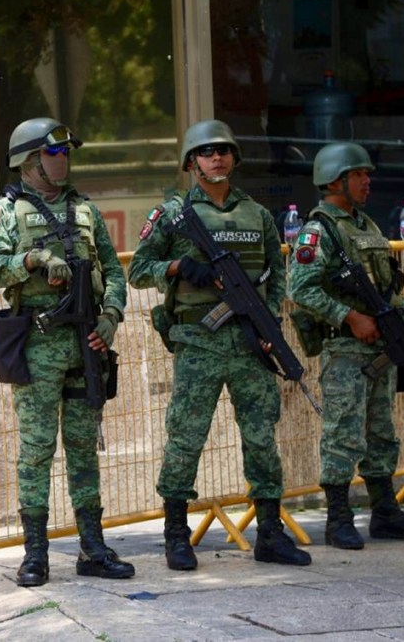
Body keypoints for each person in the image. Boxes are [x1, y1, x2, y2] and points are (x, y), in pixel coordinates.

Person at [128, 119, 311, 570]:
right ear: (191, 162)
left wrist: (269, 326)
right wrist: (176, 268)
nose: (217, 158)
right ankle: (175, 533)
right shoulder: (173, 214)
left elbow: (277, 272)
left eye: (224, 151)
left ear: (234, 159)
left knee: (261, 439)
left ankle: (270, 532)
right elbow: (138, 271)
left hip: (250, 343)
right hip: (198, 341)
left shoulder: (258, 215)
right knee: (186, 439)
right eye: (206, 152)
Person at [0, 117, 134, 587]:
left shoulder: (85, 209)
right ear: (29, 161)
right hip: (39, 343)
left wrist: (111, 317)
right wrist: (31, 260)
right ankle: (35, 554)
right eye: (53, 154)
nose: (63, 161)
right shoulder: (3, 211)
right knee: (37, 449)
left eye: (65, 154)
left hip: (86, 340)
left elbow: (115, 270)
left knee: (84, 448)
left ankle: (93, 547)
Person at [287, 142, 404, 550]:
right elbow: (299, 289)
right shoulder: (318, 231)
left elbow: (391, 290)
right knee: (343, 434)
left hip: (382, 349)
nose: (367, 181)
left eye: (367, 174)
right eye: (359, 175)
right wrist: (349, 317)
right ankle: (338, 519)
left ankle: (385, 511)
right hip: (346, 351)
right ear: (336, 180)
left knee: (382, 432)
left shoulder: (366, 226)